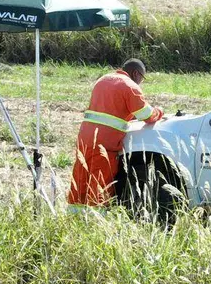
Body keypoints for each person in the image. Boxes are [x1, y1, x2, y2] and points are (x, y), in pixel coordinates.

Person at [67, 58, 164, 208]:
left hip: (85, 137)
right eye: (142, 78)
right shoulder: (130, 86)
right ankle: (97, 216)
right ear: (136, 73)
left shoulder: (103, 80)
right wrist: (159, 112)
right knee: (100, 184)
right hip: (105, 143)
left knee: (81, 179)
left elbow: (109, 109)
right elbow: (146, 115)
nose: (141, 82)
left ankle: (74, 213)